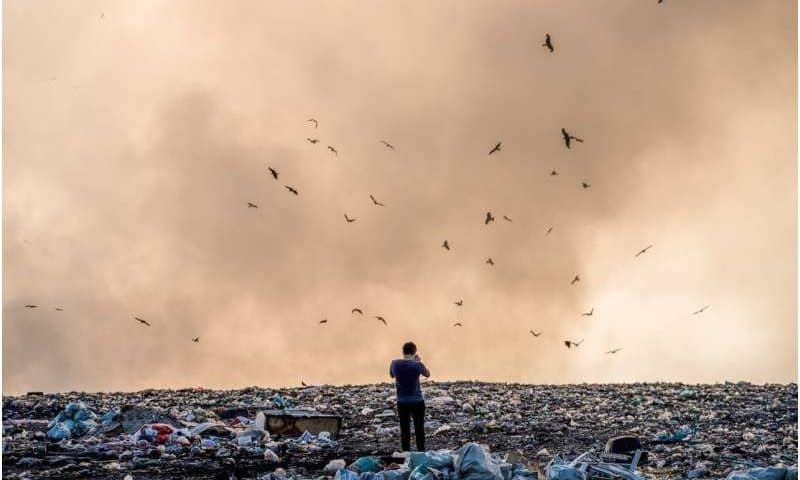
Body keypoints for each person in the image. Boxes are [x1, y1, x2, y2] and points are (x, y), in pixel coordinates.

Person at [389, 341, 430, 452]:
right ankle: (421, 452)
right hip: (417, 400)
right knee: (419, 429)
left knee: (405, 429)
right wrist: (418, 362)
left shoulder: (395, 363)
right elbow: (427, 374)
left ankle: (406, 453)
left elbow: (391, 375)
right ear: (414, 352)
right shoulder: (417, 365)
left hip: (402, 401)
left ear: (403, 351)